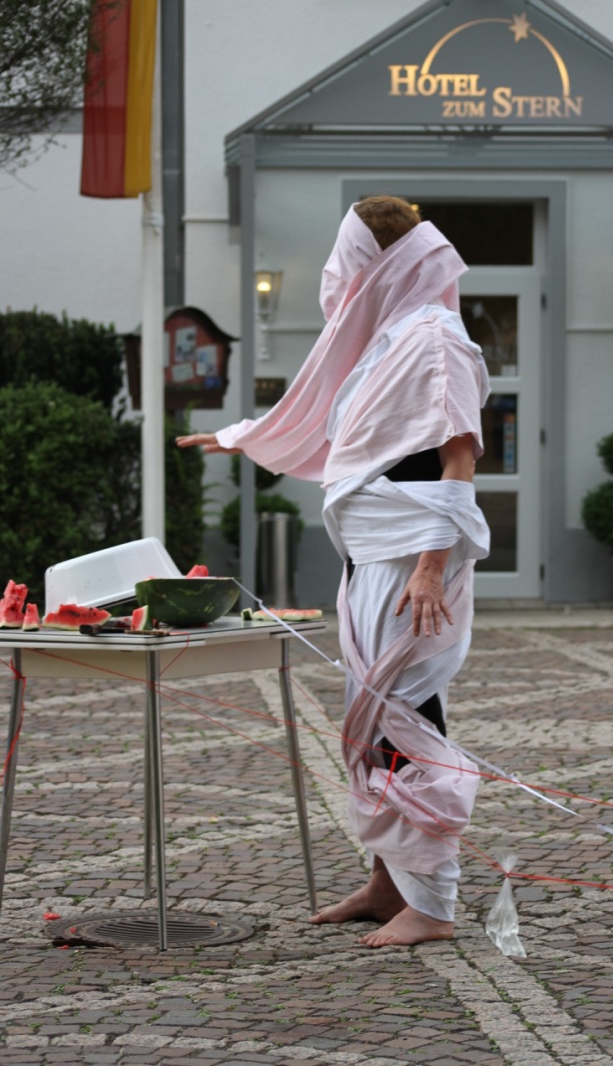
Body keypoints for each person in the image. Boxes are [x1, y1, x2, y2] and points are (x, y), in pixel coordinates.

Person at [177, 196, 490, 947]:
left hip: (411, 563)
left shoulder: (435, 339)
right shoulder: (390, 338)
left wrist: (429, 568)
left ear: (375, 264)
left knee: (405, 717)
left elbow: (459, 458)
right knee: (370, 721)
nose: (335, 276)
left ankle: (434, 904)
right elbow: (346, 434)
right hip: (373, 559)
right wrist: (240, 436)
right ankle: (389, 884)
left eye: (343, 260)